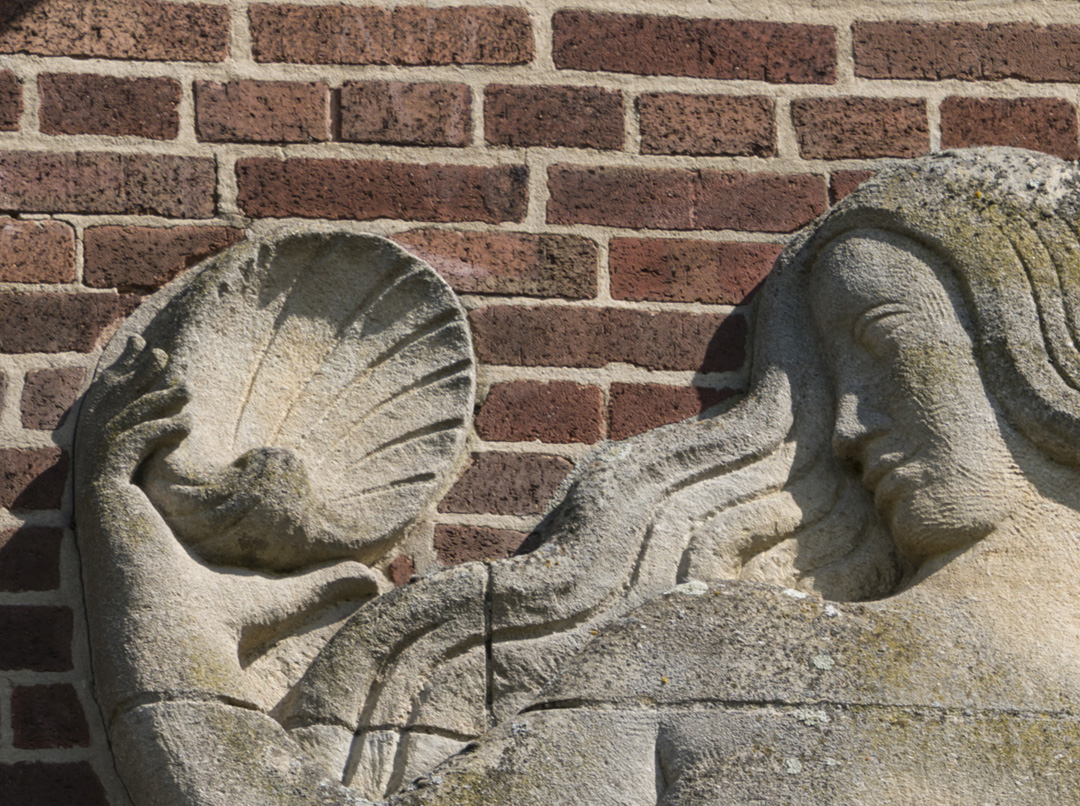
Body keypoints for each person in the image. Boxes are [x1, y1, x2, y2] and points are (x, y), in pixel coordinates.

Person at [79, 148, 1080, 805]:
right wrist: (177, 664)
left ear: (1047, 346)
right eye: (834, 375)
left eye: (883, 339)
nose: (852, 423)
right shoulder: (713, 665)